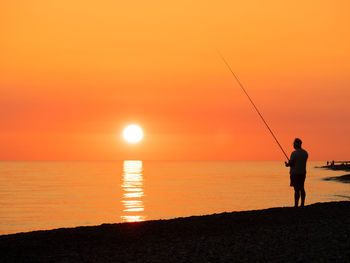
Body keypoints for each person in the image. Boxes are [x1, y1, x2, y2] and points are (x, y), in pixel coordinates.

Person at [285, 138, 308, 207]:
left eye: (294, 143)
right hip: (303, 173)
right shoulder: (305, 153)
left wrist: (287, 164)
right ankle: (302, 203)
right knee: (302, 188)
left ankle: (296, 204)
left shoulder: (294, 153)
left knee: (296, 189)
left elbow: (291, 163)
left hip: (295, 174)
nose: (293, 145)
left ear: (297, 144)